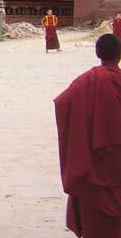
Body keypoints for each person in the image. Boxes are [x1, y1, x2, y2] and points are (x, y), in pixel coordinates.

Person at [54, 34, 121, 237]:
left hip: (93, 162)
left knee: (95, 214)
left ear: (97, 54)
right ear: (119, 55)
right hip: (117, 162)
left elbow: (62, 103)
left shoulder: (85, 81)